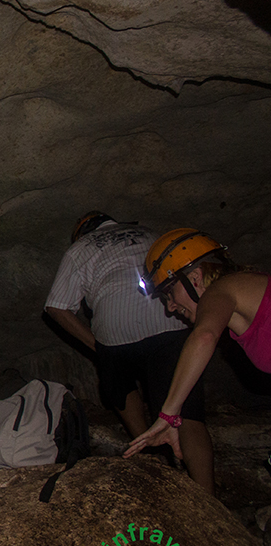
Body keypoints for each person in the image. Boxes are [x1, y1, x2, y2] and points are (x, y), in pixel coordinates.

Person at [45, 212, 215, 494]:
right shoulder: (149, 234)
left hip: (114, 327)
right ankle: (209, 500)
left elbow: (55, 306)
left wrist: (97, 346)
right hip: (167, 317)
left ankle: (151, 455)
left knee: (119, 386)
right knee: (188, 415)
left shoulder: (80, 249)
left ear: (82, 233)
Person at [124, 229, 270, 480]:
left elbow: (204, 337)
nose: (170, 307)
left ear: (195, 277)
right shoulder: (249, 298)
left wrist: (168, 415)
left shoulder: (223, 289)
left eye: (169, 292)